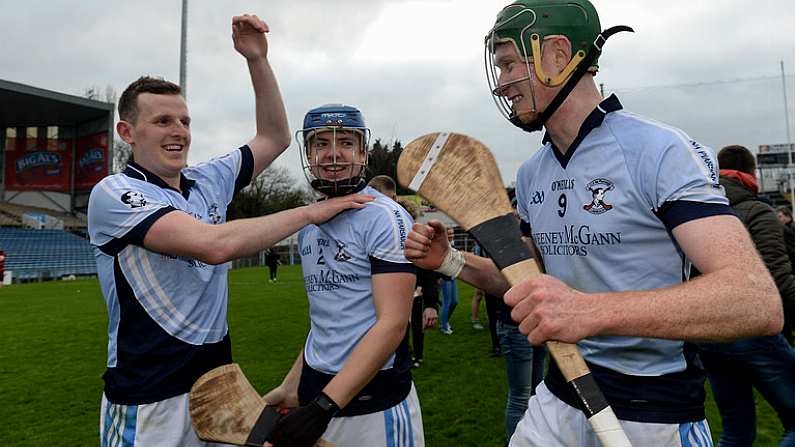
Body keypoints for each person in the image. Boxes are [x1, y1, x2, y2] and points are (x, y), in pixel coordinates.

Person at [405, 1, 783, 445]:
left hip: (653, 409)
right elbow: (531, 285)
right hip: (561, 395)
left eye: (509, 64)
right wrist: (451, 262)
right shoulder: (532, 173)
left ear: (559, 56)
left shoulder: (658, 150)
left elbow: (755, 302)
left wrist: (588, 312)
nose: (503, 83)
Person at [87, 16, 372, 446]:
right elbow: (213, 246)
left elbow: (274, 137)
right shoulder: (114, 193)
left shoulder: (208, 179)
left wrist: (257, 59)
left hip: (219, 390)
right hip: (149, 401)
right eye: (163, 121)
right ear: (127, 132)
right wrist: (311, 213)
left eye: (184, 121)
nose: (179, 131)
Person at [263, 105, 424, 447]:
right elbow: (326, 322)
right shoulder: (308, 226)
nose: (333, 154)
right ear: (308, 153)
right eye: (321, 143)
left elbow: (393, 324)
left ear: (363, 152)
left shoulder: (384, 217)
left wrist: (324, 406)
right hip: (320, 401)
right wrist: (290, 387)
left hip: (373, 409)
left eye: (346, 143)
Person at [697, 145, 795, 446]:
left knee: (736, 431)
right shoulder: (758, 212)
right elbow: (777, 277)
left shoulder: (697, 208)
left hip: (707, 332)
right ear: (751, 174)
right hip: (750, 327)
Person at [439, 227, 459, 335]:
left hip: (452, 277)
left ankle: (445, 321)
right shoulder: (442, 246)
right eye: (449, 233)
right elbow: (438, 262)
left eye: (452, 233)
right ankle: (443, 326)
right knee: (447, 303)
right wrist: (438, 277)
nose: (451, 235)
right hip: (445, 278)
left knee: (454, 302)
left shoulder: (453, 244)